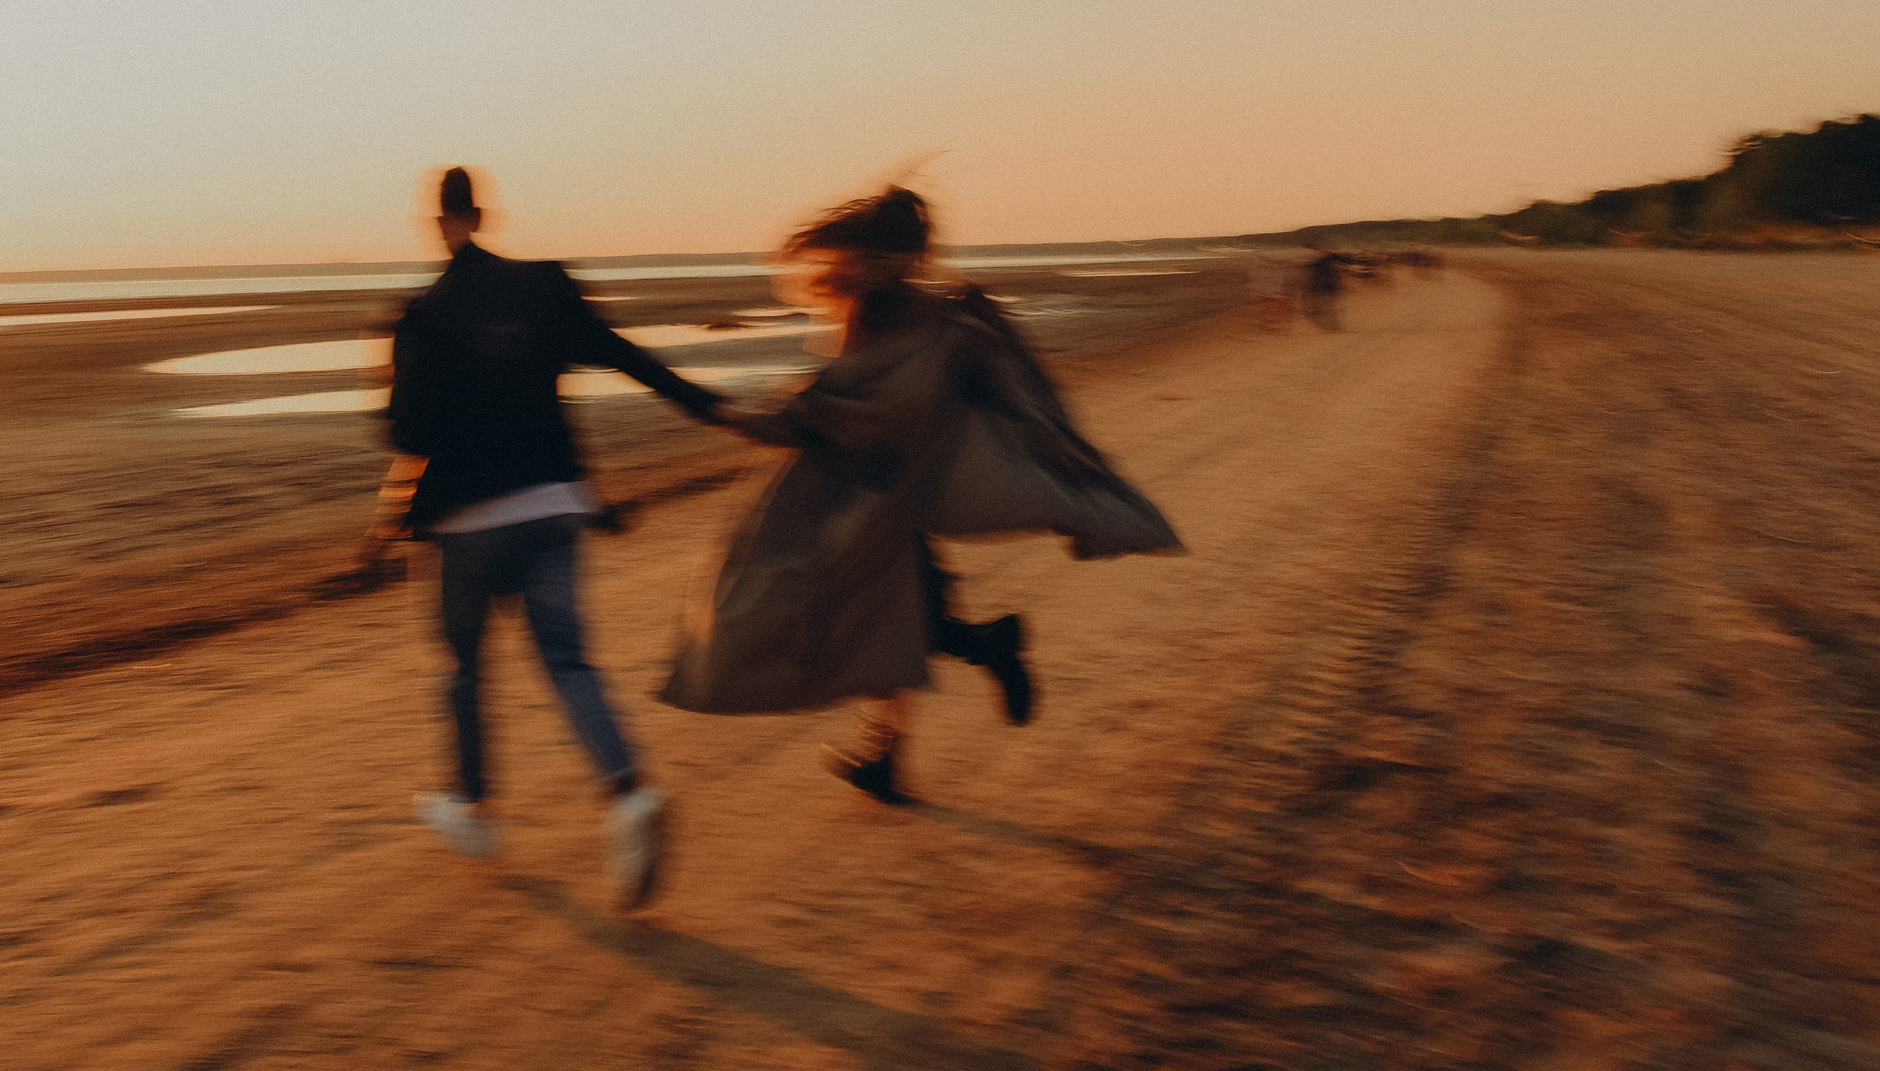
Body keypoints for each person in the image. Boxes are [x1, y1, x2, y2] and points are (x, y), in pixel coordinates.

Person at [658, 186, 1184, 805]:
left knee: (860, 622)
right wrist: (1065, 456)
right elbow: (1008, 399)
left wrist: (721, 411)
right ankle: (895, 747)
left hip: (866, 503)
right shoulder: (933, 320)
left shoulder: (913, 322)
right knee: (891, 627)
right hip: (890, 494)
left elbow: (832, 411)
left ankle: (984, 649)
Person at [357, 167, 730, 909]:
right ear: (484, 214)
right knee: (567, 659)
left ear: (438, 222)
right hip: (554, 506)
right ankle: (629, 791)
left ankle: (475, 809)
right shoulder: (546, 285)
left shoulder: (422, 315)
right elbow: (623, 355)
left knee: (462, 666)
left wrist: (384, 524)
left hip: (465, 521)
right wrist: (707, 406)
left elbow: (412, 435)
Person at [1301, 249, 1343, 331]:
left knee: (1324, 310)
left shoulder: (1318, 266)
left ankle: (1331, 326)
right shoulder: (1330, 268)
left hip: (1321, 290)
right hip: (1326, 290)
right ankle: (1332, 326)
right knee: (1329, 309)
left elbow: (1310, 279)